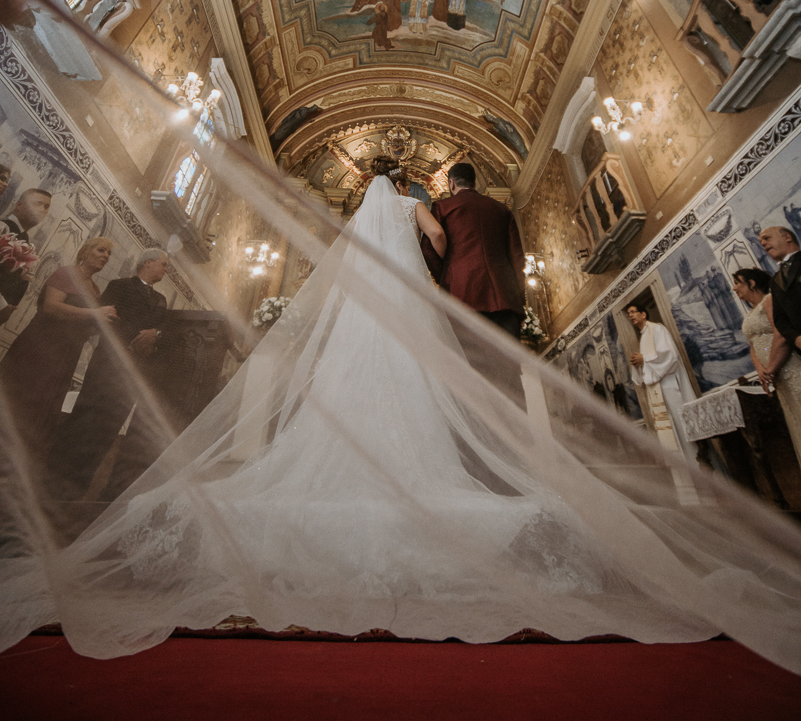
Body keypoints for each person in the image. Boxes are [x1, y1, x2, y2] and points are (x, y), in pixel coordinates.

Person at [2, 156, 801, 666]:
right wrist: (426, 252)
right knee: (417, 391)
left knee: (348, 392)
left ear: (362, 190)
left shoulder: (354, 218)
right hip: (411, 307)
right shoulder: (415, 206)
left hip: (357, 320)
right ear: (408, 185)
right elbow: (429, 246)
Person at [47, 248, 169, 500]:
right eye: (164, 264)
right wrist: (133, 340)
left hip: (135, 372)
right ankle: (55, 477)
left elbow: (165, 329)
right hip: (108, 363)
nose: (166, 269)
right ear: (147, 263)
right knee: (86, 417)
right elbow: (104, 318)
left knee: (109, 426)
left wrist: (155, 335)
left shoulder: (160, 300)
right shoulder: (120, 285)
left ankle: (80, 484)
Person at [0, 238, 117, 460]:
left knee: (44, 406)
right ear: (85, 252)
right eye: (101, 250)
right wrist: (94, 314)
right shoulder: (66, 273)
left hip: (66, 353)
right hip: (41, 346)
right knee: (21, 397)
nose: (106, 256)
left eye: (109, 253)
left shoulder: (95, 290)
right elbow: (51, 307)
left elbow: (85, 322)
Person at [421, 162, 526, 405]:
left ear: (451, 183)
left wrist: (447, 277)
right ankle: (517, 436)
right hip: (505, 301)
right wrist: (518, 299)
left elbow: (428, 248)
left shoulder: (442, 207)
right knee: (510, 375)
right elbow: (517, 258)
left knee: (468, 372)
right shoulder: (502, 210)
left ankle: (476, 438)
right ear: (475, 183)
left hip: (462, 298)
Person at [734, 266, 801, 464]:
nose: (734, 288)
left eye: (738, 282)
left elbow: (781, 334)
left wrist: (771, 367)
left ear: (752, 283)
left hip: (789, 367)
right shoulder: (750, 314)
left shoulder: (770, 301)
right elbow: (753, 346)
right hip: (775, 376)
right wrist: (761, 371)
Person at [627, 304, 697, 462]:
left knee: (681, 428)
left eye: (633, 312)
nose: (630, 316)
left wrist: (644, 359)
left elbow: (670, 356)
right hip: (659, 390)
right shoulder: (643, 336)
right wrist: (638, 363)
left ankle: (695, 465)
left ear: (643, 314)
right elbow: (648, 364)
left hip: (670, 386)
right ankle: (684, 479)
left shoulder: (657, 329)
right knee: (670, 430)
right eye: (628, 314)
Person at [0, 187, 51, 310]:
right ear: (19, 205)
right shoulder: (2, 227)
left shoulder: (25, 240)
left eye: (46, 207)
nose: (42, 210)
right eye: (37, 204)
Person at [759, 226, 801, 356]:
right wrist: (796, 338)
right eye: (761, 243)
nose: (763, 244)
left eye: (766, 238)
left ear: (787, 237)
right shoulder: (775, 281)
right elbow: (780, 320)